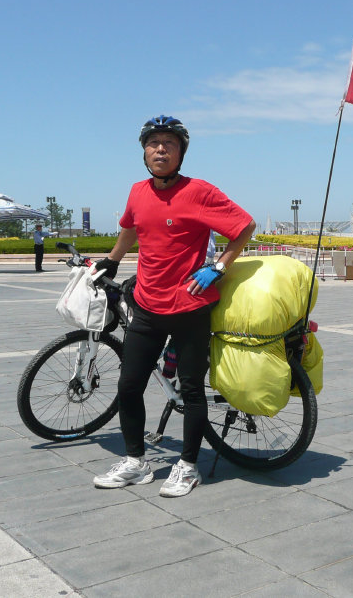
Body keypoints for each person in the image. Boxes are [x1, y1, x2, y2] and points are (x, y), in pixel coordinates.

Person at [91, 115, 255, 497]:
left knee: (193, 389)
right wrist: (112, 260)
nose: (160, 149)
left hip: (190, 305)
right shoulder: (137, 191)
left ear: (181, 152)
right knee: (129, 385)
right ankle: (136, 462)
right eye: (153, 143)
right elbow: (131, 227)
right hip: (147, 304)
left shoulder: (199, 191)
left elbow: (244, 226)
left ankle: (187, 466)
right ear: (144, 152)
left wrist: (217, 267)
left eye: (169, 143)